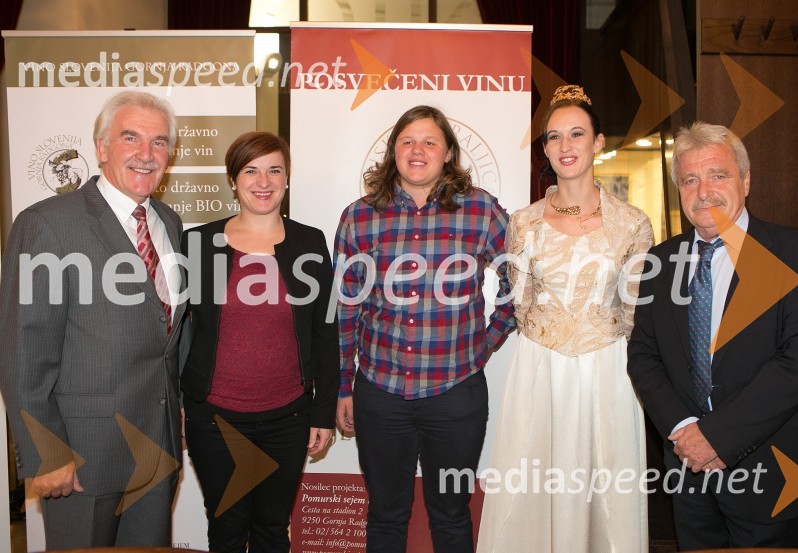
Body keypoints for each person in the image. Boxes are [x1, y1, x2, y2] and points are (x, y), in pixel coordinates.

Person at [628, 121, 798, 549]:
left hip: (772, 470)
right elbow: (643, 355)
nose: (704, 190)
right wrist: (685, 432)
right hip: (688, 471)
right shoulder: (659, 263)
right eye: (690, 179)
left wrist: (716, 437)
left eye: (718, 174)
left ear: (746, 179)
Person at [0, 91, 184, 548]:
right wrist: (46, 450)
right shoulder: (48, 224)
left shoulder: (169, 223)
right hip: (83, 457)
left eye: (159, 142)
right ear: (101, 148)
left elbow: (166, 339)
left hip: (156, 453)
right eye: (131, 138)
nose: (146, 154)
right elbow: (24, 347)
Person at [477, 85, 653, 552]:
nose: (565, 146)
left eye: (577, 134)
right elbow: (519, 300)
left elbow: (636, 310)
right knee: (532, 483)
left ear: (598, 143)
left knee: (605, 490)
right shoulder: (524, 222)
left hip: (610, 373)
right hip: (541, 372)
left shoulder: (633, 223)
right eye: (554, 137)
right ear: (545, 149)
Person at [334, 105, 515, 553]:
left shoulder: (481, 210)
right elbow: (344, 309)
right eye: (407, 142)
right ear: (393, 151)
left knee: (452, 516)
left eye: (430, 141)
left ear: (448, 152)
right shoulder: (359, 216)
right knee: (385, 516)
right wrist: (342, 386)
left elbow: (522, 282)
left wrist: (483, 345)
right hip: (379, 394)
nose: (418, 151)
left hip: (456, 394)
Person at [180, 131, 339, 553]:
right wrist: (176, 404)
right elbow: (176, 331)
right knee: (227, 530)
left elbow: (326, 332)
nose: (263, 181)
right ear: (233, 180)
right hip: (214, 419)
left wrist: (322, 413)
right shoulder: (197, 243)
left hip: (288, 419)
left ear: (287, 179)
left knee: (272, 531)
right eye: (250, 170)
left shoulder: (310, 242)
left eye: (274, 170)